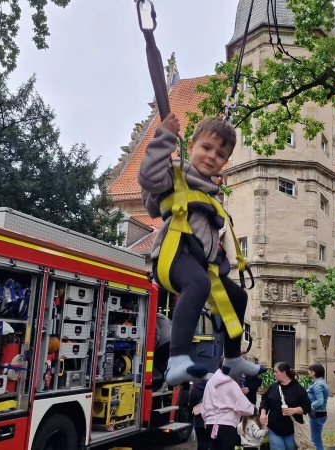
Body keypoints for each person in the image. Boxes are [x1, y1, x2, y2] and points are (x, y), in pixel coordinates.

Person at [138, 113, 265, 385]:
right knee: (197, 283)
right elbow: (148, 177)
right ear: (191, 145)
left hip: (201, 264)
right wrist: (164, 137)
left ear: (225, 162)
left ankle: (232, 358)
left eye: (220, 154)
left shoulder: (209, 191)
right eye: (206, 147)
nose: (211, 156)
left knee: (238, 296)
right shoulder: (176, 174)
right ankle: (177, 358)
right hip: (174, 256)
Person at [259, 362, 311, 450]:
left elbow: (307, 406)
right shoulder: (274, 386)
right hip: (274, 428)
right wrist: (263, 413)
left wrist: (294, 410)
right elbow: (265, 400)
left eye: (276, 372)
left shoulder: (298, 389)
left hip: (292, 430)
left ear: (283, 373)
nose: (274, 374)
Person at [202, 367, 255, 450]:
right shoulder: (231, 383)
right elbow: (244, 405)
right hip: (227, 425)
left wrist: (206, 420)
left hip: (210, 424)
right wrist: (252, 409)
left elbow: (204, 404)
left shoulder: (209, 383)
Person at [306, 363, 329, 450]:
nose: (308, 372)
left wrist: (309, 407)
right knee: (316, 439)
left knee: (316, 440)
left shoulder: (318, 385)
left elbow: (320, 401)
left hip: (317, 414)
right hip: (319, 414)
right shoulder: (320, 382)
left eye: (310, 370)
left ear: (314, 372)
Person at [190, 376, 210, 450]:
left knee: (201, 441)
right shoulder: (211, 388)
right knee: (209, 441)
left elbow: (191, 405)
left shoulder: (194, 390)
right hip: (209, 419)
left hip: (199, 420)